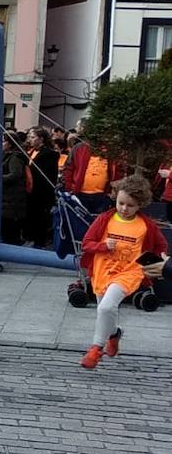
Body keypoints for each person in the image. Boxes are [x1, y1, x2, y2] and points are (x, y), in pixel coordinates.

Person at [78, 176, 169, 369]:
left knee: (105, 308)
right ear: (115, 198)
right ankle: (114, 334)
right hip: (103, 270)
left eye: (130, 205)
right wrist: (103, 246)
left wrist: (151, 266)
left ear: (140, 205)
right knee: (104, 311)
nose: (124, 209)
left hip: (129, 272)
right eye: (120, 203)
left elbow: (161, 247)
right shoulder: (105, 219)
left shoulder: (146, 226)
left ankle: (95, 349)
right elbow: (86, 243)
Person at [24, 126, 60, 248]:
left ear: (41, 139)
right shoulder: (31, 151)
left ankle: (40, 241)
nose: (30, 139)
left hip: (41, 191)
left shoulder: (50, 154)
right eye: (29, 137)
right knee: (31, 215)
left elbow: (49, 175)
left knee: (40, 217)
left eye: (33, 137)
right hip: (30, 189)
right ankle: (31, 237)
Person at [1, 133, 28, 245]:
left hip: (12, 197)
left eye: (4, 141)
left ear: (10, 143)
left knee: (10, 223)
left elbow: (15, 174)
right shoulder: (7, 155)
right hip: (8, 196)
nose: (1, 144)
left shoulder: (15, 157)